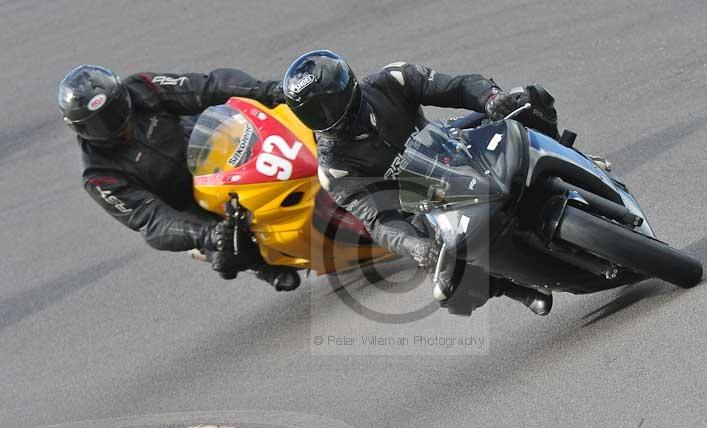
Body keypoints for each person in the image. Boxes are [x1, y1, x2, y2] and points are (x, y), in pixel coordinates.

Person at [283, 51, 559, 314]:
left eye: (331, 104)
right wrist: (414, 245)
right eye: (317, 114)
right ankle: (516, 288)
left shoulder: (392, 80)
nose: (330, 116)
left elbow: (458, 86)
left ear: (348, 86)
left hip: (453, 146)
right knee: (451, 290)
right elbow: (378, 220)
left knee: (526, 100)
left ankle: (567, 159)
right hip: (424, 205)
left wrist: (490, 98)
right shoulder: (335, 168)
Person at [58, 64, 299, 290]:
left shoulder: (143, 88)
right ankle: (264, 266)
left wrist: (268, 90)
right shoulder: (99, 176)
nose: (112, 124)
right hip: (189, 201)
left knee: (282, 120)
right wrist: (208, 234)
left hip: (213, 145)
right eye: (98, 124)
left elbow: (205, 87)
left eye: (113, 111)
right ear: (79, 129)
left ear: (123, 97)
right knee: (228, 250)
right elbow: (151, 221)